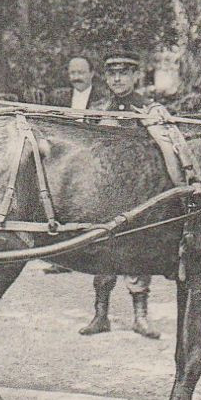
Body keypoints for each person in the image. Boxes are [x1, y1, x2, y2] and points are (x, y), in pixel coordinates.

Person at [82, 48, 160, 339]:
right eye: (112, 73)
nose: (117, 78)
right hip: (104, 193)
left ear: (136, 76)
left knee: (138, 252)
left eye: (123, 73)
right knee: (101, 250)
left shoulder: (148, 110)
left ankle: (140, 317)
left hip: (139, 194)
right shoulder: (99, 109)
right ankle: (100, 315)